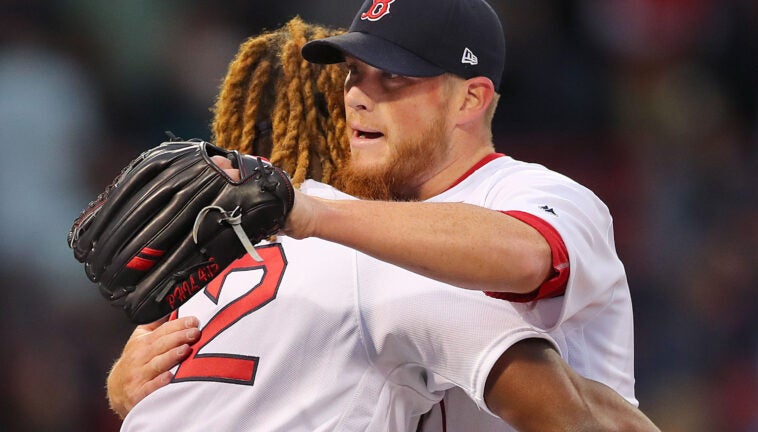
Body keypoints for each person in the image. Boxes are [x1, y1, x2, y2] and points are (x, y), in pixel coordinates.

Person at [107, 13, 658, 432]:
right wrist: (137, 382)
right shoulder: (336, 231)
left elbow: (528, 257)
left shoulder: (540, 193)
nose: (357, 98)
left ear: (470, 98)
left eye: (392, 79)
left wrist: (312, 214)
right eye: (353, 75)